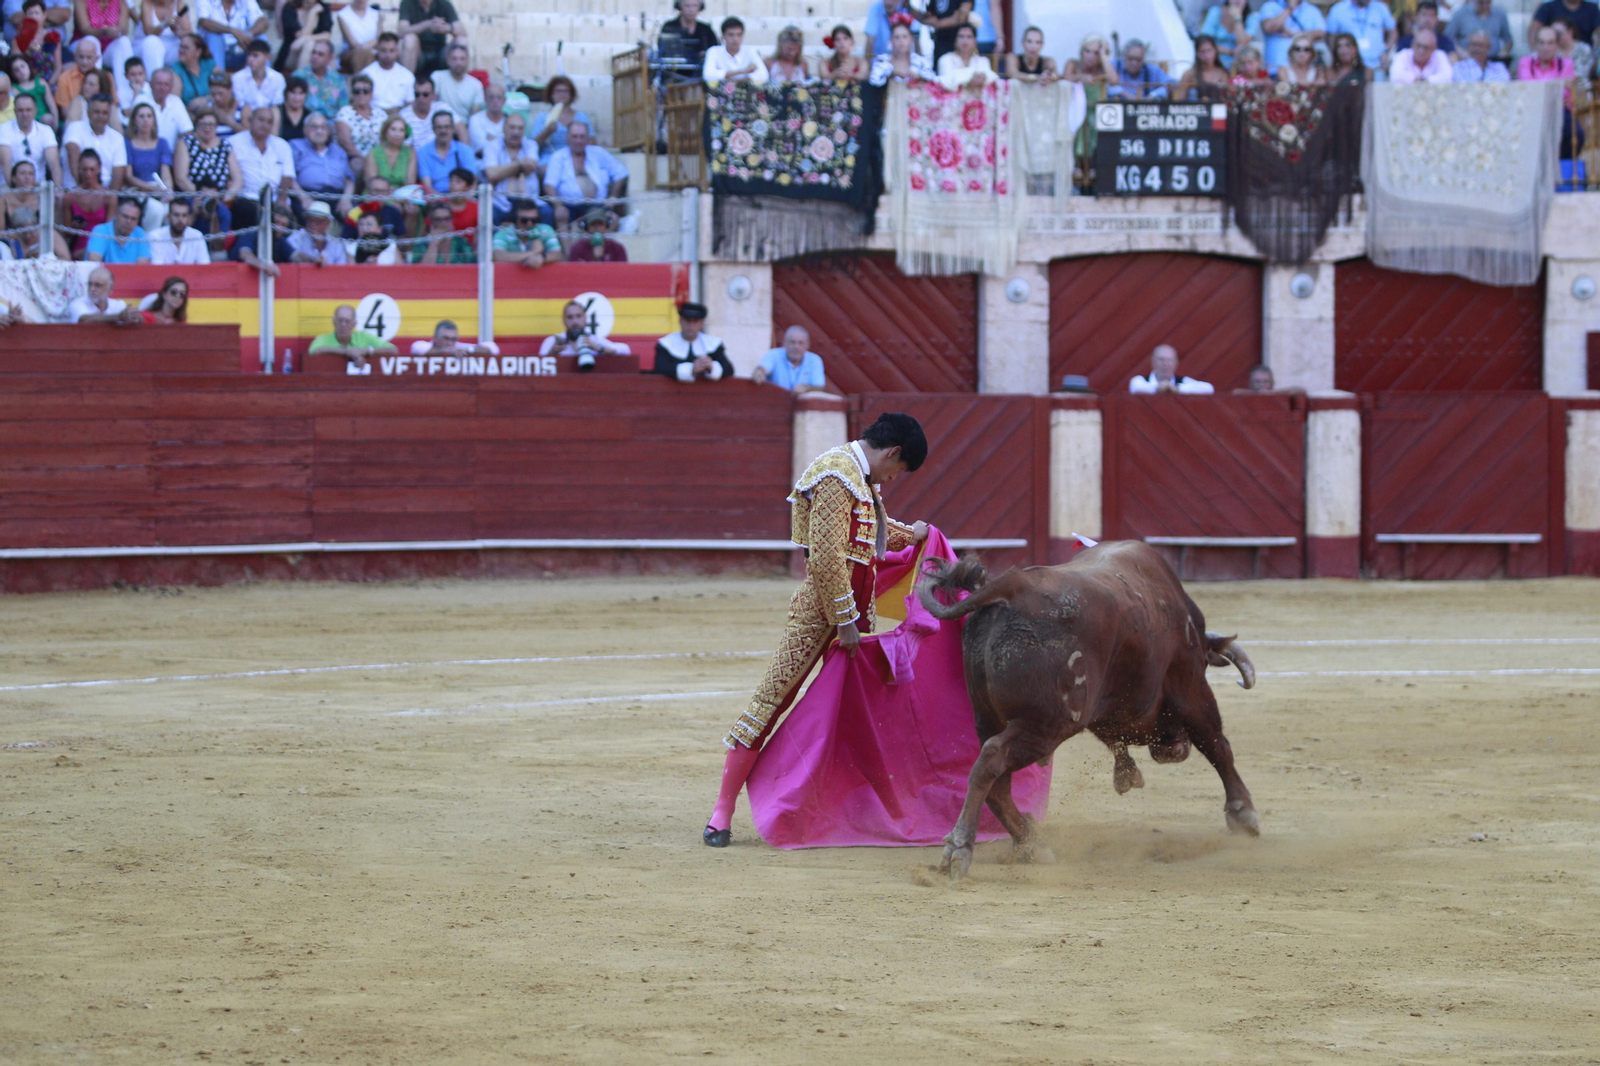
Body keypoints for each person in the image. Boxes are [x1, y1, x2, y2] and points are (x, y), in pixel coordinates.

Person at [703, 412, 929, 848]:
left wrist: (913, 535)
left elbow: (867, 535)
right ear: (893, 452)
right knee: (770, 701)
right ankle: (722, 813)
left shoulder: (859, 478)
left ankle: (838, 812)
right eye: (899, 469)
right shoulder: (836, 473)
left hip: (855, 616)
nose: (894, 478)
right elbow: (825, 559)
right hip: (820, 617)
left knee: (852, 713)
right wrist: (844, 620)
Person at [541, 120, 626, 229]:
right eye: (575, 136)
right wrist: (558, 206)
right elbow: (549, 184)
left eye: (582, 137)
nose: (578, 141)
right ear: (567, 138)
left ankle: (600, 241)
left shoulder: (599, 153)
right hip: (570, 206)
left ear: (588, 139)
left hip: (597, 205)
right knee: (561, 215)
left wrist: (612, 198)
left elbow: (620, 173)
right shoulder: (558, 157)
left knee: (613, 219)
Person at [229, 105, 296, 218]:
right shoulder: (234, 142)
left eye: (269, 122)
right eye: (261, 119)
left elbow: (287, 175)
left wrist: (281, 199)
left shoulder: (282, 145)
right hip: (245, 199)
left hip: (275, 200)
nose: (264, 125)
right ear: (250, 120)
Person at [653, 301, 732, 382]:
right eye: (687, 320)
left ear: (702, 323)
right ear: (680, 321)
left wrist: (712, 367)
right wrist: (691, 369)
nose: (691, 325)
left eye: (695, 321)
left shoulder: (713, 343)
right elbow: (660, 369)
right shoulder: (666, 344)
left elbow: (729, 369)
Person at [481, 111, 539, 217]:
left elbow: (531, 166)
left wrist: (502, 171)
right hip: (499, 203)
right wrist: (520, 163)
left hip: (529, 201)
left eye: (520, 128)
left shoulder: (531, 145)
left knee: (547, 212)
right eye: (512, 127)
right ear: (504, 128)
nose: (516, 132)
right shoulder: (492, 146)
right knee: (489, 214)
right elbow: (491, 174)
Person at [539, 299, 627, 369]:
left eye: (578, 316)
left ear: (585, 319)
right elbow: (538, 368)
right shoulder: (552, 341)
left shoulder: (594, 340)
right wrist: (551, 354)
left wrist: (599, 348)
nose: (575, 321)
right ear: (564, 320)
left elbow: (625, 350)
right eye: (570, 317)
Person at [65, 94, 129, 188]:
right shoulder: (75, 127)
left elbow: (118, 174)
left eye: (105, 113)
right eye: (96, 112)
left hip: (106, 192)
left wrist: (109, 195)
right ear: (88, 113)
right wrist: (84, 190)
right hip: (75, 189)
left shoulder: (117, 138)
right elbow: (72, 154)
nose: (100, 116)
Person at [291, 111, 350, 211]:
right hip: (308, 195)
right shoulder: (296, 146)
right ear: (305, 130)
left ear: (328, 131)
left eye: (323, 127)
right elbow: (289, 175)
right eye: (314, 127)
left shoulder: (338, 151)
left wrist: (346, 199)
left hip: (337, 197)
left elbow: (349, 178)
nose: (319, 131)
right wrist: (303, 197)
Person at [309, 302, 396, 370]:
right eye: (340, 320)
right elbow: (314, 351)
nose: (343, 325)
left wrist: (365, 351)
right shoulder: (324, 339)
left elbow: (392, 349)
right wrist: (347, 352)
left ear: (354, 324)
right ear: (334, 322)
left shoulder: (363, 337)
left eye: (347, 321)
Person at [122, 101, 173, 213]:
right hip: (137, 191)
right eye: (141, 116)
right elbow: (128, 176)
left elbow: (165, 173)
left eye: (149, 116)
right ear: (134, 120)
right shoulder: (127, 143)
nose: (146, 120)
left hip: (157, 189)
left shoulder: (162, 143)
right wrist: (150, 188)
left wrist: (168, 190)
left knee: (166, 208)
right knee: (156, 210)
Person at [0, 91, 62, 184]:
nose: (25, 114)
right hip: (9, 185)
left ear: (35, 111)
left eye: (28, 110)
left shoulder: (46, 131)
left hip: (38, 186)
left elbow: (54, 164)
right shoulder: (4, 129)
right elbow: (6, 163)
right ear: (15, 112)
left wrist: (58, 189)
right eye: (21, 110)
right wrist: (13, 190)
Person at [194, 0, 267, 73]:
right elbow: (204, 22)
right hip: (213, 51)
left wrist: (248, 35)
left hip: (240, 49)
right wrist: (232, 31)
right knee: (214, 37)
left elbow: (263, 22)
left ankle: (263, 76)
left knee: (260, 38)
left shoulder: (246, 1)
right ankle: (218, 77)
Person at [396, 0, 463, 78]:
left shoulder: (444, 4)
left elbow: (462, 31)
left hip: (441, 52)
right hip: (418, 53)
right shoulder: (407, 3)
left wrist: (447, 28)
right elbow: (401, 31)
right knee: (409, 39)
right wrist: (427, 25)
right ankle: (406, 81)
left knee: (461, 40)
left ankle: (461, 81)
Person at [1258, 0, 1327, 76]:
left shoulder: (1311, 9)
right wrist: (1290, 8)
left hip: (1305, 72)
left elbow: (1321, 33)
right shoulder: (1270, 6)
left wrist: (1294, 34)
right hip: (1275, 70)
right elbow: (1268, 28)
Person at [1326, 0, 1396, 73]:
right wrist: (1337, 57)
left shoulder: (1380, 8)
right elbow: (1331, 36)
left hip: (1377, 64)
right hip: (1349, 68)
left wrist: (1386, 51)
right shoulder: (1338, 9)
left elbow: (1393, 32)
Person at [532, 74, 588, 164]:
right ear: (551, 94)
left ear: (571, 95)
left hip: (577, 159)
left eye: (565, 91)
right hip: (549, 159)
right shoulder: (542, 117)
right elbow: (532, 147)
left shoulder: (581, 116)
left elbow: (592, 143)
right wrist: (547, 132)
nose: (562, 94)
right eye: (558, 91)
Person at [416, 108, 473, 193]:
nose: (443, 131)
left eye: (447, 127)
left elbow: (472, 182)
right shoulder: (423, 152)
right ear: (433, 129)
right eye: (439, 127)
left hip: (461, 197)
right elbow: (427, 186)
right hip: (435, 198)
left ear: (453, 129)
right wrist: (442, 200)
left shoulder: (465, 150)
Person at [752, 326, 825, 393]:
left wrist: (806, 388)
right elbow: (763, 368)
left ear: (807, 345)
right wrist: (760, 372)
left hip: (803, 402)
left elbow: (819, 386)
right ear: (784, 343)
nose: (796, 347)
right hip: (775, 400)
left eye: (801, 343)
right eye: (792, 342)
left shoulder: (814, 360)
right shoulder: (773, 354)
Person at [229, 198, 293, 273]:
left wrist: (306, 258)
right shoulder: (251, 234)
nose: (279, 227)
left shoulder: (280, 240)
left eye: (283, 225)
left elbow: (295, 255)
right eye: (276, 222)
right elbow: (245, 254)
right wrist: (265, 267)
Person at [491, 198, 560, 267]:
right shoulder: (504, 232)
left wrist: (542, 258)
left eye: (534, 220)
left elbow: (557, 254)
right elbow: (498, 256)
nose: (529, 224)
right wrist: (534, 252)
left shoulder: (546, 230)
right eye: (524, 220)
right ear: (515, 220)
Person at [868, 18, 935, 85]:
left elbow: (933, 80)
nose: (901, 41)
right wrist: (891, 75)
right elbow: (874, 82)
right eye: (897, 37)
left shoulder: (922, 62)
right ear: (891, 40)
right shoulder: (881, 60)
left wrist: (920, 77)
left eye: (904, 37)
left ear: (911, 39)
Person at [657, 0, 717, 74]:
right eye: (687, 6)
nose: (691, 10)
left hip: (700, 72)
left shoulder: (706, 29)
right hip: (673, 72)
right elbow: (662, 48)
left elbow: (715, 49)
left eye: (694, 6)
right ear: (679, 7)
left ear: (700, 7)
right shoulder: (669, 27)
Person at [334, 72, 381, 167]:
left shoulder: (380, 114)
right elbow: (345, 143)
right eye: (357, 91)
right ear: (352, 94)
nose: (361, 94)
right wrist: (366, 161)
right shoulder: (345, 113)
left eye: (366, 91)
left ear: (371, 94)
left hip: (379, 158)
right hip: (355, 157)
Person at [702, 17, 769, 83]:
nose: (735, 39)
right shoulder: (714, 51)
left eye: (739, 35)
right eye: (731, 35)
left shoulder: (750, 51)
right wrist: (743, 71)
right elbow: (708, 75)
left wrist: (735, 80)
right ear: (723, 36)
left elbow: (764, 75)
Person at [86, 195, 151, 263]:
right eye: (125, 216)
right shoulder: (101, 230)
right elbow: (94, 261)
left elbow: (143, 265)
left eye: (133, 219)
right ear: (116, 214)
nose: (128, 221)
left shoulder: (140, 233)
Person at [293, 39, 347, 121]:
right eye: (313, 53)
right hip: (306, 122)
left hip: (331, 123)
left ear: (330, 58)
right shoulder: (299, 76)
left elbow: (344, 109)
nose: (315, 57)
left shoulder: (338, 80)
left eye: (320, 54)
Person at [431, 42, 482, 128]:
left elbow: (474, 115)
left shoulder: (476, 85)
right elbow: (431, 105)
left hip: (464, 128)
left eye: (462, 59)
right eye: (454, 59)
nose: (458, 63)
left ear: (467, 61)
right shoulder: (437, 77)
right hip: (441, 127)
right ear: (448, 61)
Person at [361, 33, 414, 114]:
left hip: (399, 116)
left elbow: (410, 103)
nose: (388, 55)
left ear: (397, 51)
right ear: (377, 50)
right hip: (374, 115)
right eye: (383, 50)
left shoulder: (407, 75)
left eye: (391, 51)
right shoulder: (366, 74)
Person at [1200, 0, 1261, 70]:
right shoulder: (1215, 12)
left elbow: (1243, 44)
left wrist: (1237, 19)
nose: (1237, 1)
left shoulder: (1252, 17)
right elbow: (1205, 41)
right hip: (1215, 61)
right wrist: (1230, 51)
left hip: (1240, 65)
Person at [1129, 344, 1214, 394]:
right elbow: (1135, 386)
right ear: (1153, 362)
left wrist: (1177, 389)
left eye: (1169, 360)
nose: (1165, 364)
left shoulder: (1183, 381)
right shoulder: (1142, 380)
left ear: (1176, 363)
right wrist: (1158, 388)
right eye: (1161, 360)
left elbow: (1208, 388)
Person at [71, 265, 144, 323]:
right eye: (90, 284)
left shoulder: (118, 305)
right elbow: (84, 319)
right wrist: (118, 317)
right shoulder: (77, 303)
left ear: (111, 288)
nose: (92, 289)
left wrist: (135, 318)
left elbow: (136, 320)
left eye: (98, 285)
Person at [148, 195, 210, 263]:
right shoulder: (156, 237)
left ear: (189, 218)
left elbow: (204, 264)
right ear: (168, 217)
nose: (180, 219)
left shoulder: (197, 236)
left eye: (184, 215)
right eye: (176, 215)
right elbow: (157, 267)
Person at [408, 198, 473, 262]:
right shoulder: (421, 244)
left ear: (451, 219)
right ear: (432, 221)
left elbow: (472, 265)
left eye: (447, 219)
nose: (443, 223)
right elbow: (423, 268)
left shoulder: (461, 242)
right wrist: (434, 242)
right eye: (438, 219)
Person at [276, 0, 331, 75]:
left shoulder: (323, 7)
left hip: (314, 52)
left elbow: (327, 35)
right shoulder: (289, 8)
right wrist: (312, 13)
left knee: (326, 50)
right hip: (291, 53)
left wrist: (305, 39)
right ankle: (302, 79)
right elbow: (300, 35)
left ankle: (330, 81)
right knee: (309, 45)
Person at [8, 55, 60, 133]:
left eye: (23, 66)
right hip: (25, 120)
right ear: (13, 74)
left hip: (44, 118)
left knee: (47, 119)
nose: (21, 71)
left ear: (28, 66)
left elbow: (51, 105)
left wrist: (56, 122)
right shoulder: (13, 89)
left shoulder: (41, 82)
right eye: (16, 70)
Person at [286, 198, 346, 264]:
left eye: (317, 221)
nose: (312, 224)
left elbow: (341, 267)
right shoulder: (296, 239)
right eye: (310, 220)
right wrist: (314, 260)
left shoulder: (336, 245)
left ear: (328, 223)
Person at [365, 114, 416, 190]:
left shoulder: (410, 153)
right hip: (378, 194)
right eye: (393, 129)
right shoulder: (373, 153)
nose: (397, 134)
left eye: (401, 130)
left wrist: (398, 193)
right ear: (385, 131)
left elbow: (410, 183)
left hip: (402, 195)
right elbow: (372, 183)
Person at [138, 0, 190, 74]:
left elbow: (189, 34)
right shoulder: (147, 3)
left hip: (172, 47)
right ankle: (155, 78)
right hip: (150, 47)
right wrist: (164, 24)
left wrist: (177, 31)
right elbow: (148, 32)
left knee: (188, 48)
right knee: (152, 42)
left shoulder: (179, 3)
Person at [1450, 0, 1514, 60]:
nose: (1485, 6)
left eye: (1488, 2)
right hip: (1466, 59)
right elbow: (1448, 38)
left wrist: (1505, 51)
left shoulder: (1500, 14)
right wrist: (1460, 51)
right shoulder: (1461, 14)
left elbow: (1508, 40)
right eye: (1481, 3)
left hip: (1493, 60)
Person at [937, 23, 994, 88]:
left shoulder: (983, 61)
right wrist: (971, 77)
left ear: (975, 41)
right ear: (955, 40)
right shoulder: (945, 59)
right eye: (961, 36)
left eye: (969, 37)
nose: (965, 41)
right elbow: (947, 81)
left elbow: (990, 78)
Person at [917, 0, 971, 67]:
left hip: (959, 45)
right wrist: (910, 8)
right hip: (940, 45)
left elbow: (962, 16)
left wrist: (938, 23)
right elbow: (928, 16)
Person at [399, 73, 448, 147]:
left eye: (425, 94)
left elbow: (460, 129)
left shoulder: (442, 108)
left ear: (433, 95)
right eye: (417, 94)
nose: (421, 98)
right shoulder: (404, 116)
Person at [190, 69, 243, 135]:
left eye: (220, 93)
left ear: (230, 89)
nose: (217, 98)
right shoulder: (206, 107)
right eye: (213, 94)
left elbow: (249, 134)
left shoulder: (243, 108)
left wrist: (231, 123)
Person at [148, 67, 193, 144]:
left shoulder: (176, 102)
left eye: (166, 84)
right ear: (151, 84)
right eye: (159, 84)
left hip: (172, 151)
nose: (163, 88)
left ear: (171, 87)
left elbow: (187, 132)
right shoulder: (142, 100)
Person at [1529, 0, 1598, 49]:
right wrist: (1536, 52)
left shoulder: (1592, 9)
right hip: (1553, 56)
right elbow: (1534, 29)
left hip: (1583, 56)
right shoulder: (1548, 7)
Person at [171, 34, 217, 106]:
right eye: (181, 46)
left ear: (198, 52)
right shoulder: (176, 69)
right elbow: (175, 101)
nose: (181, 50)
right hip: (187, 111)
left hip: (213, 107)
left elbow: (223, 90)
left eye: (186, 48)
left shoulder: (210, 65)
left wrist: (207, 99)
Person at [335, 0, 381, 74]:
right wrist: (369, 46)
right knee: (364, 54)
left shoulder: (375, 14)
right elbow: (353, 44)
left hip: (373, 51)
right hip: (351, 53)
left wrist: (368, 46)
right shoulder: (343, 15)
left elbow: (380, 39)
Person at [409, 318, 496, 356]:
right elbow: (418, 348)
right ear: (435, 337)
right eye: (445, 338)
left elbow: (493, 348)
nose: (450, 343)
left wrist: (468, 350)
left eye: (453, 339)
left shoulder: (458, 347)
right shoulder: (424, 346)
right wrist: (447, 351)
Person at [468, 80, 504, 155]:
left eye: (499, 97)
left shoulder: (510, 120)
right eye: (491, 97)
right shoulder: (475, 119)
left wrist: (491, 139)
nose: (495, 101)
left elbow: (516, 147)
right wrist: (503, 142)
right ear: (485, 100)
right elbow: (482, 150)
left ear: (504, 100)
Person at [276, 76, 310, 140]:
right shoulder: (277, 111)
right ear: (286, 93)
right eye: (293, 92)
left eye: (301, 93)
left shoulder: (309, 115)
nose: (297, 98)